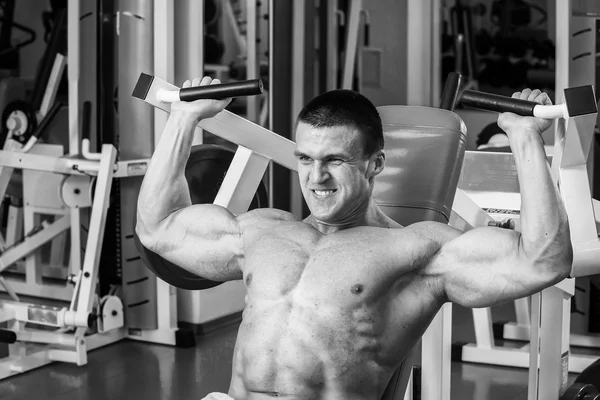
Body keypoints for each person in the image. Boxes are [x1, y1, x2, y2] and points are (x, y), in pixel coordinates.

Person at [136, 76, 572, 400]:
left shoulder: (416, 251)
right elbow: (159, 227)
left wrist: (524, 136)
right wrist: (184, 118)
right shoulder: (262, 230)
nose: (316, 177)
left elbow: (543, 260)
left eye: (335, 160)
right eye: (305, 158)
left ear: (375, 164)